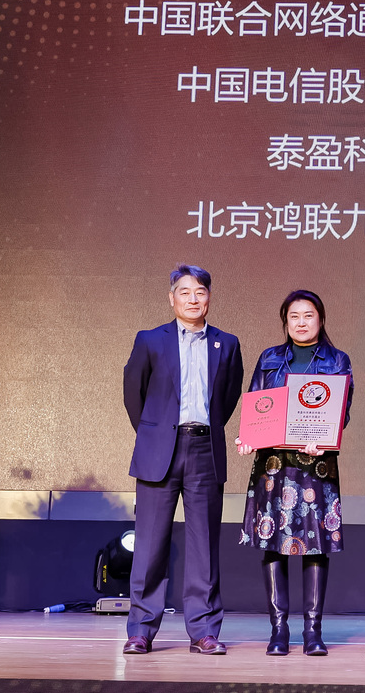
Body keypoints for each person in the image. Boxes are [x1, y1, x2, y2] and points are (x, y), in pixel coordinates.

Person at [120, 265, 245, 655]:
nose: (193, 299)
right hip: (159, 451)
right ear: (171, 298)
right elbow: (134, 394)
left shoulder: (227, 344)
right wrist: (156, 432)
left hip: (205, 449)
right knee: (149, 545)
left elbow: (227, 397)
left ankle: (204, 630)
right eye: (185, 292)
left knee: (203, 545)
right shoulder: (149, 340)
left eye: (200, 292)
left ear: (209, 298)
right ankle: (141, 630)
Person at [235, 289, 353, 657]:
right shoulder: (269, 358)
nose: (301, 323)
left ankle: (313, 632)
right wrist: (248, 436)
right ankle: (279, 631)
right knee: (274, 543)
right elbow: (256, 403)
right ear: (285, 322)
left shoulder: (337, 360)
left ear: (321, 319)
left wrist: (325, 438)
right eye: (294, 317)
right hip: (274, 465)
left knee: (315, 546)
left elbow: (342, 411)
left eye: (308, 315)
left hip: (316, 464)